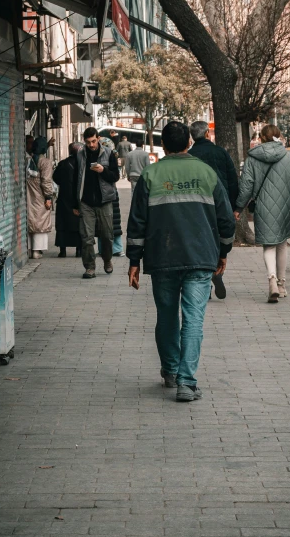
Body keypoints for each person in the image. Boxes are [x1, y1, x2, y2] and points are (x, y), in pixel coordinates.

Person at [127, 121, 235, 402]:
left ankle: (171, 372)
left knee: (166, 316)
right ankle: (187, 383)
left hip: (162, 258)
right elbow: (225, 219)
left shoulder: (150, 175)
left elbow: (136, 223)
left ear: (163, 145)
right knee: (193, 319)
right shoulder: (206, 172)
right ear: (188, 142)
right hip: (200, 257)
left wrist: (134, 261)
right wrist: (223, 252)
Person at [234, 124, 290, 303]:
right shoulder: (288, 157)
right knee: (282, 243)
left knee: (268, 244)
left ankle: (272, 281)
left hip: (262, 205)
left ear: (261, 138)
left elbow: (246, 186)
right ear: (279, 136)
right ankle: (282, 286)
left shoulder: (252, 158)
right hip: (285, 206)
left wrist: (238, 208)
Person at [189, 120, 238, 300]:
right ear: (208, 133)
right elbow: (232, 180)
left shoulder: (190, 155)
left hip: (200, 206)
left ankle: (205, 283)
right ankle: (218, 271)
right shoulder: (220, 152)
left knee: (202, 242)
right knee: (219, 240)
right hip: (220, 204)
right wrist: (235, 208)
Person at [72, 127, 119, 279]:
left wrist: (102, 171)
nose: (91, 145)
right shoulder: (80, 154)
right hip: (86, 202)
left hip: (104, 201)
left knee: (106, 235)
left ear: (98, 138)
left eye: (93, 141)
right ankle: (90, 267)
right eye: (88, 142)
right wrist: (75, 203)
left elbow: (115, 176)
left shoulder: (109, 153)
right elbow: (75, 179)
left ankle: (107, 259)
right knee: (86, 237)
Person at [52, 142, 83, 258]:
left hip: (64, 198)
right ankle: (79, 250)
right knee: (78, 225)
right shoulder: (83, 164)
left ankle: (62, 251)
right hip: (78, 198)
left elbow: (56, 178)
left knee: (62, 224)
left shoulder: (63, 164)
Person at [26, 136, 54, 259]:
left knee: (31, 220)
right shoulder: (45, 162)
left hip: (28, 194)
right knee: (40, 221)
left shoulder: (28, 160)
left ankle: (29, 249)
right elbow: (46, 181)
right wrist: (48, 197)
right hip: (40, 195)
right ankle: (37, 251)